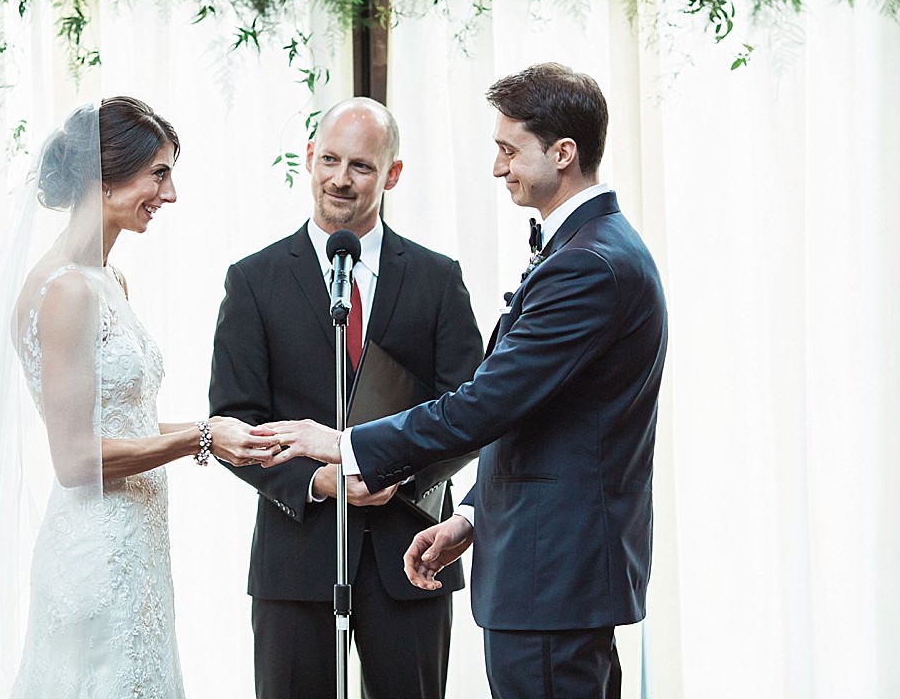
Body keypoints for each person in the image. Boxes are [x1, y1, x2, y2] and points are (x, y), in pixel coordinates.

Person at [264, 64, 669, 699]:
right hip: (547, 571)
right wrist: (474, 517)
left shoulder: (589, 266)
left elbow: (485, 404)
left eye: (509, 150)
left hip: (551, 577)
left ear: (563, 153)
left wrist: (345, 444)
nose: (497, 167)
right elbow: (545, 421)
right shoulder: (590, 251)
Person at [209, 97, 484, 699]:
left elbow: (470, 410)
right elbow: (235, 418)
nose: (340, 178)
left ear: (392, 175)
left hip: (411, 554)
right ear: (308, 159)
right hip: (294, 558)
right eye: (329, 159)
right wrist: (322, 480)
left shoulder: (438, 280)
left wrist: (393, 472)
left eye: (361, 166)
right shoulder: (252, 281)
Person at [8, 97, 277, 697]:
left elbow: (124, 421)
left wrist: (226, 434)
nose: (171, 193)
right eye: (159, 173)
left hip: (137, 544)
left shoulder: (109, 282)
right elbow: (76, 461)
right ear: (105, 177)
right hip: (96, 552)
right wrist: (200, 436)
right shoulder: (68, 292)